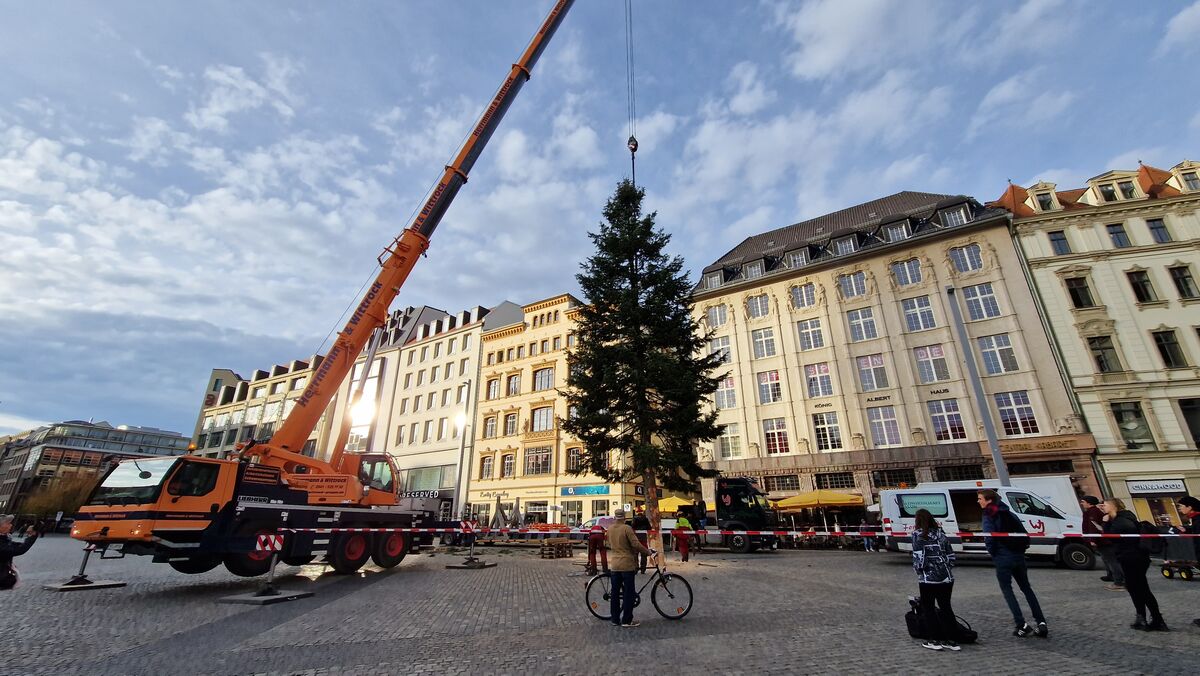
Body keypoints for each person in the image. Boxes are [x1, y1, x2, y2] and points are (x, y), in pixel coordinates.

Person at [978, 489, 1048, 638]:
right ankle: (1041, 622)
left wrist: (993, 553)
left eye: (980, 499)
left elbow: (989, 536)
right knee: (1026, 588)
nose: (978, 501)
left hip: (1003, 556)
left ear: (989, 500)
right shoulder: (1010, 513)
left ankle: (1021, 624)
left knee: (1007, 590)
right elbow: (1024, 534)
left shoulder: (988, 515)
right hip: (1018, 556)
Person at [1102, 498, 1167, 631]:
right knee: (1136, 588)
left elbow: (1111, 537)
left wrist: (1106, 523)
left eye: (1105, 504)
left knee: (1139, 589)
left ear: (1114, 507)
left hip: (1132, 558)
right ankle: (1145, 618)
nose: (1103, 506)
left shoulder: (1121, 521)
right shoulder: (1125, 518)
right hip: (1134, 557)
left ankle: (1153, 619)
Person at [910, 509, 959, 651]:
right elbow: (950, 554)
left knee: (929, 608)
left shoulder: (918, 535)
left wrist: (919, 571)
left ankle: (934, 639)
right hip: (946, 577)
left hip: (928, 578)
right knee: (946, 607)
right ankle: (952, 640)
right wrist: (946, 567)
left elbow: (918, 557)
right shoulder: (941, 534)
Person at [605, 508, 652, 627]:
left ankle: (615, 619)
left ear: (615, 517)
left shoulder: (610, 529)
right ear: (624, 517)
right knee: (628, 593)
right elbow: (636, 544)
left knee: (615, 593)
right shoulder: (627, 528)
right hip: (627, 564)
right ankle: (626, 620)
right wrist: (647, 552)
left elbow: (608, 543)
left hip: (615, 565)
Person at [1080, 495, 1124, 591]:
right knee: (1106, 559)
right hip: (1102, 540)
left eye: (1083, 502)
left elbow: (1093, 527)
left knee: (1112, 561)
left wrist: (1092, 539)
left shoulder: (1093, 512)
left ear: (1089, 503)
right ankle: (1111, 575)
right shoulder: (1091, 511)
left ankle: (1119, 581)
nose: (1082, 503)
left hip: (1103, 540)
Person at [1176, 495, 1200, 628]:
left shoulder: (1198, 519)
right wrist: (1187, 530)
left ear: (1190, 507)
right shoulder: (1195, 519)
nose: (1179, 509)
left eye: (1181, 506)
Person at [1, 514, 40, 591]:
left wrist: (31, 536)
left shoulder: (4, 538)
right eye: (8, 523)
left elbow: (17, 546)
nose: (11, 525)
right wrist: (32, 536)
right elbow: (18, 549)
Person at [631, 509, 651, 574]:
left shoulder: (634, 519)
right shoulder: (645, 519)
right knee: (644, 554)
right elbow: (649, 527)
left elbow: (632, 526)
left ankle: (636, 568)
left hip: (636, 538)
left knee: (635, 554)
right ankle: (643, 569)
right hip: (643, 537)